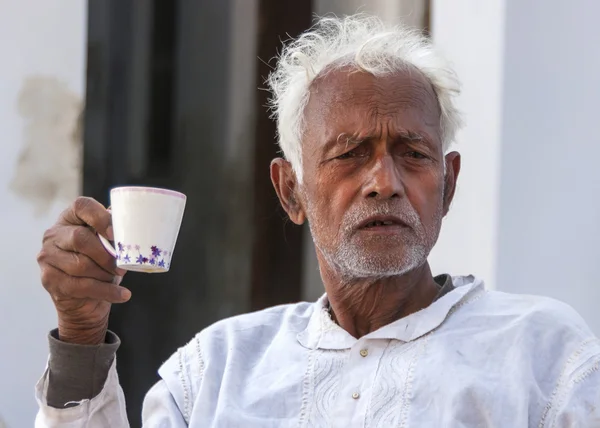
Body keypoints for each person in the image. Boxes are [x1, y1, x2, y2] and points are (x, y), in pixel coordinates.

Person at [35, 14, 599, 427]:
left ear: (447, 184)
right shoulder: (215, 372)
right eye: (349, 153)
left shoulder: (545, 357)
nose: (384, 181)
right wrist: (81, 337)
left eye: (413, 153)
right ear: (291, 191)